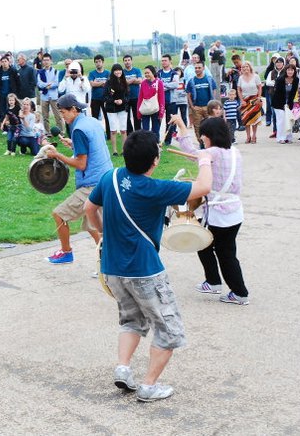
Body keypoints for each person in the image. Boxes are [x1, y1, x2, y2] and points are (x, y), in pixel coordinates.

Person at [83, 129, 213, 402]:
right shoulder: (155, 188)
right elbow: (203, 187)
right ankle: (149, 386)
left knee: (131, 320)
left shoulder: (110, 177)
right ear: (154, 161)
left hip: (112, 268)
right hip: (144, 271)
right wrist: (204, 159)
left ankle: (123, 368)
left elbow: (88, 209)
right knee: (168, 329)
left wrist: (102, 233)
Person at [170, 115, 248, 304]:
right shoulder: (235, 152)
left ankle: (238, 292)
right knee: (211, 246)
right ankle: (214, 282)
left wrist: (182, 126)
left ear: (210, 135)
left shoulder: (210, 154)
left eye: (203, 135)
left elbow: (191, 152)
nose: (202, 138)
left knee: (221, 252)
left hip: (218, 212)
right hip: (235, 211)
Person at [46, 94, 113, 264]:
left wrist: (57, 155)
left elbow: (81, 164)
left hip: (92, 184)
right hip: (105, 179)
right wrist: (75, 145)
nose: (62, 116)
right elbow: (93, 148)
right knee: (94, 225)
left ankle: (66, 253)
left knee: (59, 214)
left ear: (74, 110)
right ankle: (108, 259)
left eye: (63, 112)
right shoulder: (92, 122)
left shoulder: (78, 130)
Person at [186, 61, 217, 142]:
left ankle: (211, 142)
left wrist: (212, 103)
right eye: (196, 68)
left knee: (210, 125)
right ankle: (201, 143)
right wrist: (192, 106)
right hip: (197, 107)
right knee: (197, 127)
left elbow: (214, 90)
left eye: (199, 68)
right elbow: (188, 94)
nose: (197, 69)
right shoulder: (192, 81)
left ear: (203, 68)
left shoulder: (209, 79)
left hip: (208, 107)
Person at [103, 63, 129, 156]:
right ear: (113, 72)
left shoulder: (124, 82)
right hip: (111, 108)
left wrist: (122, 101)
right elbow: (105, 96)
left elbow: (127, 96)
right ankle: (114, 151)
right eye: (116, 70)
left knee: (123, 130)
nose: (118, 72)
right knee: (113, 130)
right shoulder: (108, 83)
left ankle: (124, 149)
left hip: (122, 108)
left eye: (119, 70)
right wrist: (114, 101)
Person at [271, 64, 299, 144]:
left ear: (294, 71)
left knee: (288, 119)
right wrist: (283, 104)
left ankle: (288, 137)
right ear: (286, 71)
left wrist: (289, 104)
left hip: (289, 102)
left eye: (292, 70)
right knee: (281, 120)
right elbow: (278, 93)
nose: (290, 72)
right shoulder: (280, 79)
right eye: (288, 70)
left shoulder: (296, 79)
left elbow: (293, 93)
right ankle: (280, 138)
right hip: (278, 102)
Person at [237, 61, 263, 144]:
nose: (245, 68)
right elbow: (239, 89)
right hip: (245, 100)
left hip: (254, 99)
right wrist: (241, 100)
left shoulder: (256, 76)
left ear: (250, 67)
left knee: (254, 119)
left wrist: (259, 97)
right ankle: (248, 136)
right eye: (243, 67)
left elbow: (260, 87)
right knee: (246, 119)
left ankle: (254, 136)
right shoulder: (240, 78)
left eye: (247, 66)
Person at [137, 66, 165, 141]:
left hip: (156, 110)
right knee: (145, 131)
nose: (146, 74)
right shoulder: (143, 83)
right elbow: (140, 98)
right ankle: (146, 146)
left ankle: (156, 145)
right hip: (145, 109)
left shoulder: (159, 82)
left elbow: (161, 98)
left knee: (155, 130)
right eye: (145, 73)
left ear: (153, 73)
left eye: (148, 73)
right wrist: (138, 112)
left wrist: (161, 113)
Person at [89, 54, 111, 138]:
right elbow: (92, 84)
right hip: (95, 99)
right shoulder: (92, 73)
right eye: (96, 62)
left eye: (99, 61)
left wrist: (97, 83)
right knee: (94, 118)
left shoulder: (108, 73)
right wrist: (103, 83)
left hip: (106, 98)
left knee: (107, 117)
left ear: (103, 62)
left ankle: (109, 135)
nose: (98, 63)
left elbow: (109, 84)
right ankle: (96, 134)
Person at [37, 53, 61, 134]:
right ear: (42, 62)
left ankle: (61, 131)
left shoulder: (56, 71)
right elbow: (39, 83)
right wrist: (48, 84)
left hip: (54, 96)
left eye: (47, 60)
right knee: (45, 116)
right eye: (44, 60)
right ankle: (47, 132)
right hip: (44, 96)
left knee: (57, 115)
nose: (46, 62)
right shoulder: (40, 72)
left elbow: (56, 83)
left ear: (51, 61)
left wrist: (49, 85)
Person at [158, 55, 179, 145]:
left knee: (170, 121)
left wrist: (163, 85)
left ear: (170, 61)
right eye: (162, 60)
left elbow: (175, 85)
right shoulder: (158, 73)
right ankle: (157, 139)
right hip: (160, 101)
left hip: (171, 101)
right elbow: (157, 84)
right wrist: (168, 85)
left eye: (165, 60)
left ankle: (167, 140)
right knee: (158, 120)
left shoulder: (174, 73)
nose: (163, 62)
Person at [265, 57, 285, 134]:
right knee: (274, 113)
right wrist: (277, 83)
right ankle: (275, 131)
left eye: (280, 62)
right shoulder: (272, 72)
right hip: (273, 95)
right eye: (277, 62)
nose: (279, 64)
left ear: (283, 63)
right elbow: (268, 82)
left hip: (283, 95)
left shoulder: (285, 71)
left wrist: (275, 82)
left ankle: (282, 131)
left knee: (283, 113)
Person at [123, 55, 143, 133]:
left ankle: (138, 133)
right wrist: (134, 79)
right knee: (126, 117)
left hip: (136, 97)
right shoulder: (122, 72)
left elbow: (140, 81)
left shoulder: (137, 70)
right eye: (125, 60)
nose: (127, 62)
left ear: (131, 61)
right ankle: (130, 133)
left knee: (137, 116)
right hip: (125, 98)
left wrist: (127, 81)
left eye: (128, 60)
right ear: (123, 62)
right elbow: (122, 83)